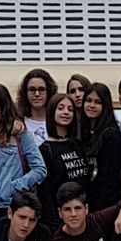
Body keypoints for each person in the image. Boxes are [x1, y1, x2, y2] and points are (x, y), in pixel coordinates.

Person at [0, 83, 45, 241]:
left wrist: (14, 186)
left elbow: (40, 169)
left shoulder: (19, 134)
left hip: (9, 207)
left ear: (4, 107)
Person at [36, 93, 90, 230]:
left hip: (85, 218)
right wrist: (55, 224)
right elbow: (45, 192)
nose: (66, 112)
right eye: (60, 108)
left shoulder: (79, 144)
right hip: (59, 222)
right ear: (51, 112)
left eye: (70, 109)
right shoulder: (44, 150)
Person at [81, 83, 121, 212]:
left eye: (98, 102)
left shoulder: (110, 136)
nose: (91, 105)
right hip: (89, 204)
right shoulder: (87, 134)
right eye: (88, 100)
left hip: (106, 207)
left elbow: (111, 179)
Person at [17, 69, 57, 146]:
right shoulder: (18, 122)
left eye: (41, 89)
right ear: (26, 92)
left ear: (49, 91)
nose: (37, 94)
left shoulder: (58, 121)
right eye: (32, 90)